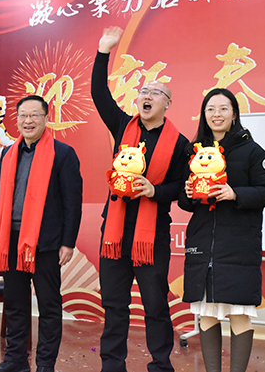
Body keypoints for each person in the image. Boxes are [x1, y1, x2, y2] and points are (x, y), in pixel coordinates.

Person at [92, 26, 189, 372]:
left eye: (156, 92)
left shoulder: (180, 143)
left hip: (152, 236)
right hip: (114, 233)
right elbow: (99, 93)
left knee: (155, 305)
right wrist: (103, 51)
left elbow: (183, 187)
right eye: (143, 91)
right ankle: (112, 365)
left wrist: (155, 191)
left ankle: (160, 364)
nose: (147, 95)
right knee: (114, 304)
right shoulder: (123, 126)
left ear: (167, 103)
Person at [178, 88, 265, 372]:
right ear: (204, 114)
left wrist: (235, 194)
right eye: (211, 109)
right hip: (202, 245)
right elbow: (184, 201)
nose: (217, 114)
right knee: (207, 314)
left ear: (234, 113)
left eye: (223, 108)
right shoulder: (194, 151)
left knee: (239, 313)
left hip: (238, 246)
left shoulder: (252, 151)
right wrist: (188, 194)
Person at [0, 95, 83, 372]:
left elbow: (72, 202)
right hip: (10, 241)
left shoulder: (63, 154)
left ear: (45, 119)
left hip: (46, 243)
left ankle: (45, 365)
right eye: (23, 116)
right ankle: (15, 360)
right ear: (17, 119)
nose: (28, 121)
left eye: (34, 115)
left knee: (49, 306)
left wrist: (68, 242)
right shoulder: (8, 153)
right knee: (15, 305)